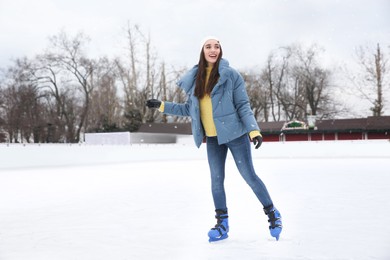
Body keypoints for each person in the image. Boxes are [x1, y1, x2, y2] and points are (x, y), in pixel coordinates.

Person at [146, 36, 282, 242]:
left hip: (236, 135)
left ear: (220, 50)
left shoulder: (231, 75)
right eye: (208, 46)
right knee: (216, 181)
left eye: (216, 46)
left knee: (249, 176)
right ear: (202, 50)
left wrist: (254, 130)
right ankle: (222, 224)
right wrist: (162, 105)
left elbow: (243, 105)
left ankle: (273, 214)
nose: (213, 50)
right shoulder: (196, 79)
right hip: (212, 139)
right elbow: (188, 109)